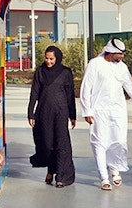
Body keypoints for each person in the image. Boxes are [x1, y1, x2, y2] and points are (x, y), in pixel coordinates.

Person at [79, 38, 132, 191]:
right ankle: (104, 177)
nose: (122, 56)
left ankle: (114, 169)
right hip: (99, 111)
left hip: (118, 110)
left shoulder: (122, 67)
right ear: (111, 51)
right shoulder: (95, 64)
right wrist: (87, 110)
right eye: (120, 54)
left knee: (119, 141)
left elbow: (131, 88)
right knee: (100, 143)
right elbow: (85, 88)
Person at [27, 45, 77, 187]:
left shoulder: (65, 72)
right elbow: (34, 93)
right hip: (43, 113)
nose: (48, 61)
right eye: (46, 58)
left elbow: (70, 96)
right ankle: (50, 170)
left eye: (51, 59)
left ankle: (61, 176)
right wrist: (31, 113)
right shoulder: (40, 72)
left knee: (61, 144)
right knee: (48, 144)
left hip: (61, 112)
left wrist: (72, 115)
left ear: (57, 58)